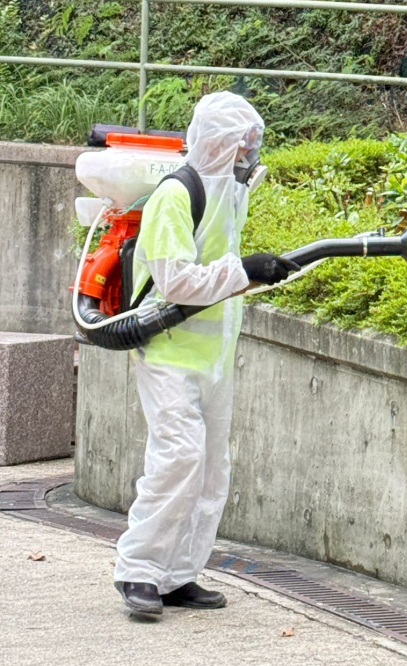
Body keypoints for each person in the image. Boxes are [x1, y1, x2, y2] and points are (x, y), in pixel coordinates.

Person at [113, 91, 297, 618]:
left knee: (212, 469)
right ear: (218, 141)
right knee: (179, 459)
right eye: (243, 143)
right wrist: (244, 269)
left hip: (213, 356)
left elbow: (220, 268)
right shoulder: (177, 194)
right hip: (170, 353)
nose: (249, 154)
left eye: (252, 144)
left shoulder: (230, 191)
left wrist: (255, 271)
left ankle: (177, 575)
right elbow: (174, 280)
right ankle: (138, 570)